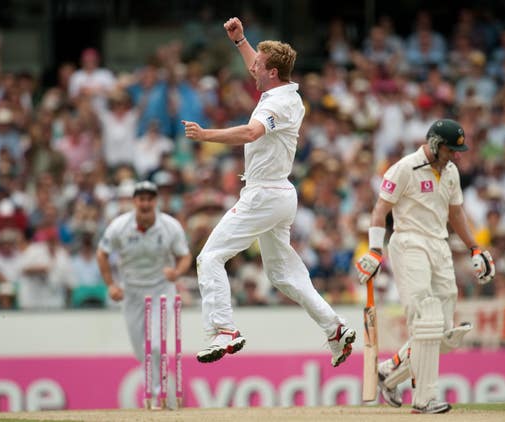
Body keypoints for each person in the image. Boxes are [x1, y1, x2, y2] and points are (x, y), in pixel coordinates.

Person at [182, 16, 356, 367]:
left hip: (264, 194)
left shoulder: (278, 104)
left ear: (272, 72)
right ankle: (334, 328)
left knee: (210, 257)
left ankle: (224, 329)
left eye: (258, 65)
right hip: (278, 194)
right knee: (283, 273)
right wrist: (241, 41)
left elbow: (250, 133)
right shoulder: (281, 92)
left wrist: (205, 135)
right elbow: (255, 68)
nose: (252, 70)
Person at [355, 118, 495, 413]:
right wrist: (375, 250)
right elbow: (380, 210)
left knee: (444, 334)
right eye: (452, 150)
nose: (457, 155)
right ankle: (424, 399)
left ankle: (388, 373)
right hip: (409, 243)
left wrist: (475, 248)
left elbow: (456, 213)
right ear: (435, 144)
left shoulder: (452, 172)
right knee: (426, 319)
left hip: (440, 246)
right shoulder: (405, 168)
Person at [96, 181, 192, 404]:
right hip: (131, 293)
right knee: (141, 351)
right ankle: (159, 387)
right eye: (141, 199)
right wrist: (111, 284)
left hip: (161, 290)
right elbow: (102, 253)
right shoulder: (119, 226)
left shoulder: (170, 226)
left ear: (156, 201)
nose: (145, 203)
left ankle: (159, 392)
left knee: (156, 345)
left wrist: (176, 272)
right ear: (134, 201)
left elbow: (185, 255)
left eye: (150, 199)